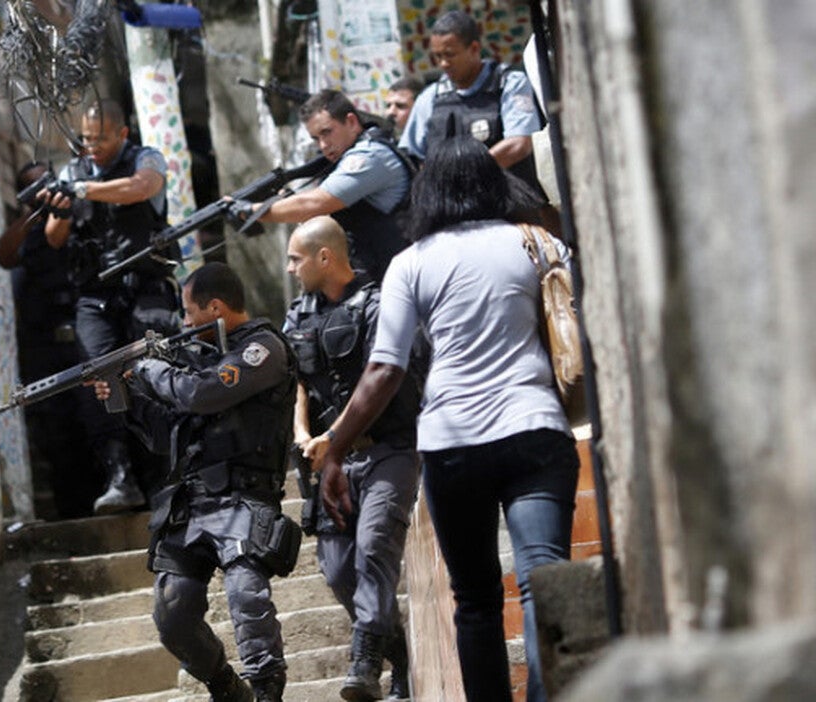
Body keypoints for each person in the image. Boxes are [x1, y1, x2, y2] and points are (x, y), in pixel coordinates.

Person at [306, 138, 577, 702]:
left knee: (475, 601)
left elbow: (384, 370)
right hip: (536, 429)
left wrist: (336, 446)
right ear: (494, 186)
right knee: (543, 582)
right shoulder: (538, 244)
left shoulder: (411, 263)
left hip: (453, 447)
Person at [92, 263, 299, 701]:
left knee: (246, 594)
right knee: (173, 613)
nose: (184, 324)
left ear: (216, 308)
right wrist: (126, 400)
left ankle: (266, 691)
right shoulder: (198, 357)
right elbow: (171, 430)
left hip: (245, 497)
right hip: (194, 502)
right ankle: (226, 687)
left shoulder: (263, 349)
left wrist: (147, 369)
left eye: (189, 314)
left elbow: (203, 395)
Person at [282, 216, 422, 702]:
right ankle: (398, 653)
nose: (289, 268)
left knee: (375, 546)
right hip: (328, 462)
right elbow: (295, 381)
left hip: (387, 449)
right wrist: (305, 434)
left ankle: (364, 662)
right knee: (339, 570)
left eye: (296, 258)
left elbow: (377, 380)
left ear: (325, 257)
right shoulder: (297, 315)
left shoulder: (378, 305)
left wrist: (333, 435)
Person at [44, 99, 180, 514]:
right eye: (85, 139)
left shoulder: (146, 159)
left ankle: (168, 477)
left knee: (155, 377)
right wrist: (62, 208)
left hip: (146, 288)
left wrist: (83, 190)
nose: (91, 147)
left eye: (100, 139)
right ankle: (120, 476)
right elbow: (54, 237)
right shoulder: (73, 171)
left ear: (121, 134)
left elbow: (141, 188)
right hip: (94, 293)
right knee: (96, 381)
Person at [0, 161, 98, 519]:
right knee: (57, 435)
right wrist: (37, 212)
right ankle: (73, 515)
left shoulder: (79, 215)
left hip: (83, 338)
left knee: (95, 423)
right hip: (46, 348)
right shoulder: (29, 232)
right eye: (34, 187)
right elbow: (2, 254)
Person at [232, 89, 416, 283]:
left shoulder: (369, 156)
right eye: (316, 138)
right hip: (372, 278)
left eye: (327, 132)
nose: (323, 145)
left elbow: (315, 203)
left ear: (352, 122)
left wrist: (250, 211)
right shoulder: (346, 156)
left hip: (393, 281)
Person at [399, 10, 546, 196]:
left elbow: (519, 144)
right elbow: (413, 156)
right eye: (437, 56)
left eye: (449, 54)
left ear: (474, 48)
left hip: (508, 203)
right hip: (451, 210)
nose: (443, 63)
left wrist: (464, 177)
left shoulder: (509, 83)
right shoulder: (431, 97)